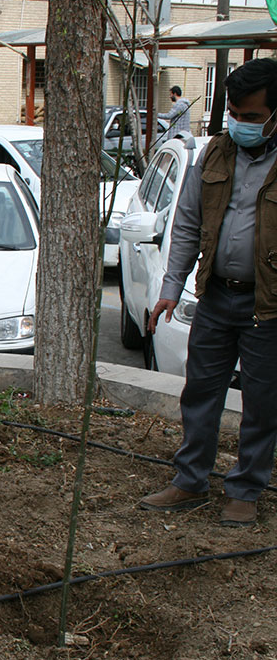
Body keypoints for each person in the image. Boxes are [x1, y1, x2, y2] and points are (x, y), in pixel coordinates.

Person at [140, 58, 277, 528]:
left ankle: (245, 489)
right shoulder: (214, 154)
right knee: (200, 391)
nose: (240, 124)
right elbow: (187, 226)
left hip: (268, 305)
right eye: (235, 114)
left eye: (252, 117)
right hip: (216, 296)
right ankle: (190, 479)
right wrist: (171, 289)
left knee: (261, 402)